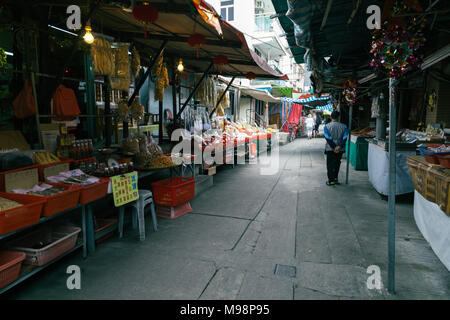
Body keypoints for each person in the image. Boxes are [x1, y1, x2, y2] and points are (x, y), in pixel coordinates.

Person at [323, 111, 349, 186]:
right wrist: (339, 146)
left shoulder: (326, 126)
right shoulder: (344, 126)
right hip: (340, 149)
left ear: (331, 117)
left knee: (330, 164)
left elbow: (328, 138)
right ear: (338, 117)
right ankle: (335, 178)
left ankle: (331, 181)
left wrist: (334, 147)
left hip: (330, 148)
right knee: (337, 163)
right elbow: (345, 138)